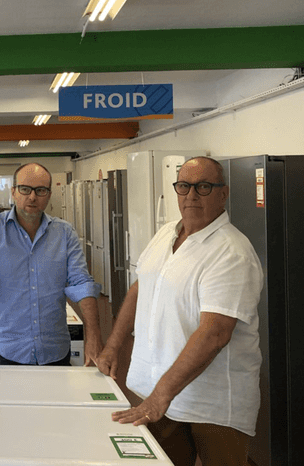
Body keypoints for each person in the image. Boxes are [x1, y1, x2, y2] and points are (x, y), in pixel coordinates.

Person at [96, 156, 263, 466]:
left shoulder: (231, 252)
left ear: (222, 194)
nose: (191, 196)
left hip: (211, 403)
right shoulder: (165, 235)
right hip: (158, 390)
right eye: (184, 186)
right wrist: (113, 345)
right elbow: (140, 288)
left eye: (203, 187)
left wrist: (160, 396)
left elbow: (214, 334)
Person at [0, 162, 102, 366]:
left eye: (41, 190)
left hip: (55, 352)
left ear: (49, 194)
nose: (33, 197)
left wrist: (94, 336)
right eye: (25, 189)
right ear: (13, 192)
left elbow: (82, 284)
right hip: (8, 353)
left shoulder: (65, 233)